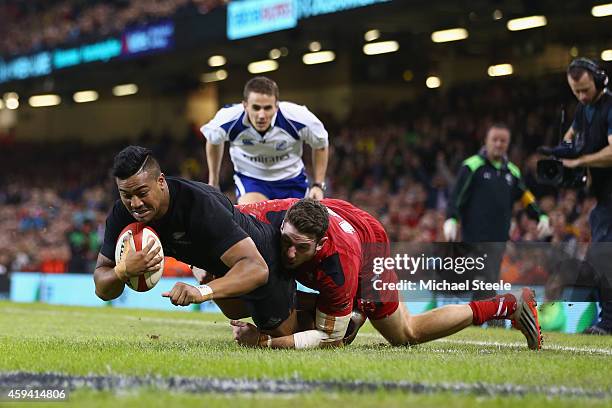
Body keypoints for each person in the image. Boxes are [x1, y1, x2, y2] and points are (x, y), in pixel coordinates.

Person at [230, 198, 542, 350]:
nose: (289, 254)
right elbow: (227, 216)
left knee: (405, 334)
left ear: (321, 243)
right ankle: (352, 312)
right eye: (285, 242)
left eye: (299, 247)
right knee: (300, 312)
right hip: (344, 224)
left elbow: (330, 340)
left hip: (368, 246)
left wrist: (264, 343)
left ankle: (506, 304)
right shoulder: (272, 215)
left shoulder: (341, 264)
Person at [93, 146, 297, 335]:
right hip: (220, 267)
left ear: (161, 182)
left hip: (264, 259)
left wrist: (200, 292)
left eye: (142, 193)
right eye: (126, 195)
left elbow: (257, 269)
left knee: (282, 336)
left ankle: (322, 317)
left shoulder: (199, 205)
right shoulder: (122, 214)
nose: (135, 203)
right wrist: (122, 271)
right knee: (234, 311)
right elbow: (102, 290)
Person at [443, 123, 550, 299]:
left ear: (508, 144)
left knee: (488, 281)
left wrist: (541, 216)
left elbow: (526, 198)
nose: (499, 144)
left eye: (503, 141)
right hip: (474, 237)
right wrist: (451, 219)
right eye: (495, 140)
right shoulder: (472, 166)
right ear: (486, 141)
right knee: (482, 280)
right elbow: (456, 196)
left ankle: (487, 320)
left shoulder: (512, 172)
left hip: (499, 239)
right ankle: (487, 319)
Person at [201, 76, 329, 204]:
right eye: (256, 108)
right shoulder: (228, 118)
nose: (261, 115)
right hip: (251, 181)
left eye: (267, 108)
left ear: (276, 106)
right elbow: (213, 140)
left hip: (292, 181)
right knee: (254, 220)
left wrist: (318, 184)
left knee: (294, 223)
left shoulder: (299, 117)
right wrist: (213, 182)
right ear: (245, 105)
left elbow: (321, 144)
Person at [560, 57, 612, 335]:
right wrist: (562, 153)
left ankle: (608, 323)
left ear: (600, 81)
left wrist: (580, 162)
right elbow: (570, 138)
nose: (581, 96)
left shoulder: (609, 106)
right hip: (604, 198)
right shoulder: (584, 109)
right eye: (576, 91)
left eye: (585, 90)